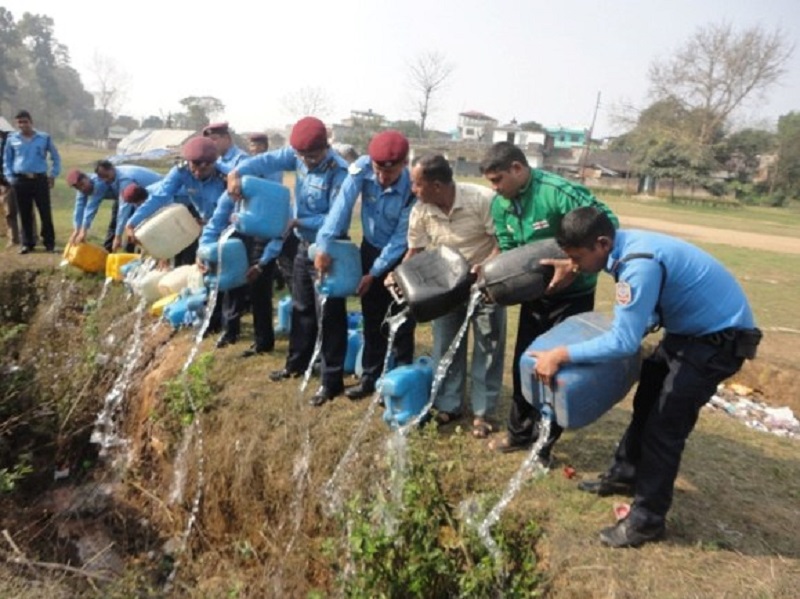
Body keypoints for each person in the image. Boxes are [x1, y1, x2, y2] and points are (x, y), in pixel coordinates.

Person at [530, 206, 761, 548]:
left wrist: (560, 354)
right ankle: (626, 474)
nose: (575, 265)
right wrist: (576, 266)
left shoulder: (637, 265)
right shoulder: (623, 248)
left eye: (578, 257)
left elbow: (624, 342)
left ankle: (647, 521)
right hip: (689, 332)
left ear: (602, 243)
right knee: (648, 397)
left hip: (717, 342)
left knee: (665, 427)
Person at [480, 141, 618, 464]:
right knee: (525, 363)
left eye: (498, 180)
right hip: (536, 296)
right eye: (491, 182)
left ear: (517, 168)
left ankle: (543, 445)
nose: (495, 189)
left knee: (554, 369)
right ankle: (518, 432)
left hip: (573, 296)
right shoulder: (501, 206)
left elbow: (607, 223)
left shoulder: (558, 192)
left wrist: (572, 265)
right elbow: (511, 250)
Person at [227, 117, 349, 406]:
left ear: (326, 147)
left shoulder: (339, 172)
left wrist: (298, 220)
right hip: (302, 245)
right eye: (302, 156)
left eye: (313, 156)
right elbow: (262, 162)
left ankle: (331, 381)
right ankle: (296, 364)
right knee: (301, 306)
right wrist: (236, 172)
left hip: (328, 249)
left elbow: (336, 217)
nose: (306, 161)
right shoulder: (295, 155)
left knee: (329, 314)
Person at [404, 154, 505, 437]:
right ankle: (449, 404)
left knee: (488, 348)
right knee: (445, 346)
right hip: (445, 289)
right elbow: (416, 251)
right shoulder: (421, 210)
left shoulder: (481, 199)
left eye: (416, 184)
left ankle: (483, 412)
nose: (413, 189)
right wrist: (399, 275)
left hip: (486, 285)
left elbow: (502, 243)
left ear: (436, 185)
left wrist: (485, 268)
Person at [314, 130, 416, 401]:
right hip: (371, 248)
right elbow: (341, 208)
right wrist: (325, 243)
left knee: (401, 319)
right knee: (372, 317)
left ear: (404, 164)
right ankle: (370, 378)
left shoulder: (413, 187)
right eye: (378, 171)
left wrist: (374, 273)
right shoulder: (361, 169)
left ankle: (402, 382)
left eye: (389, 174)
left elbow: (400, 239)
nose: (382, 179)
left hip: (403, 255)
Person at [125, 136, 226, 266]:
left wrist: (210, 225)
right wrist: (132, 223)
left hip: (227, 226)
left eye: (203, 170)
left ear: (213, 164)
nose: (197, 174)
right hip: (204, 221)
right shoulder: (182, 172)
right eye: (194, 168)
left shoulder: (226, 176)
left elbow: (234, 210)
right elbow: (159, 196)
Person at [2, 110, 61, 254]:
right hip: (20, 180)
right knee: (25, 213)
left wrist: (53, 174)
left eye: (25, 122)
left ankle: (49, 243)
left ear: (31, 122)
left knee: (45, 212)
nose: (23, 125)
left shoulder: (44, 138)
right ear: (17, 124)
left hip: (40, 179)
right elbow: (7, 160)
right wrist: (10, 178)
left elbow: (56, 157)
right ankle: (27, 244)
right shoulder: (12, 139)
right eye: (19, 122)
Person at [93, 160, 162, 251]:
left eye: (106, 176)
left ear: (112, 168)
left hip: (159, 197)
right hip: (143, 197)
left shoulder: (125, 179)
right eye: (103, 178)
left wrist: (118, 236)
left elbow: (124, 209)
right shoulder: (116, 175)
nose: (106, 180)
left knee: (147, 227)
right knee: (133, 227)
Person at [0, 126, 20, 248]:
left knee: (26, 211)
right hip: (5, 182)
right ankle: (13, 239)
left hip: (20, 180)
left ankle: (32, 237)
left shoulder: (16, 141)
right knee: (9, 212)